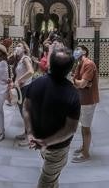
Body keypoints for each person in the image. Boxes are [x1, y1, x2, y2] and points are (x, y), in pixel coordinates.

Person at [23, 46, 80, 188]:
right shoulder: (72, 94)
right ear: (70, 69)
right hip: (56, 147)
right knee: (47, 180)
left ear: (50, 64)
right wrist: (46, 142)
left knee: (52, 176)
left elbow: (26, 108)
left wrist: (30, 133)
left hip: (39, 142)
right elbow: (71, 128)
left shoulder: (35, 83)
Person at [71, 45, 99, 163]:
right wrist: (79, 82)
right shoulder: (79, 64)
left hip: (88, 100)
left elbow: (80, 83)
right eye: (75, 49)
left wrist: (77, 82)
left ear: (84, 52)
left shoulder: (89, 64)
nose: (76, 51)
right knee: (83, 126)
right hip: (82, 98)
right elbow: (76, 80)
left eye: (78, 49)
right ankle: (84, 147)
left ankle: (86, 154)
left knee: (86, 127)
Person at [13, 41, 34, 145]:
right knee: (23, 112)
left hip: (26, 88)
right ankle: (26, 133)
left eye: (19, 46)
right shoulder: (20, 59)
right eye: (16, 46)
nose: (17, 48)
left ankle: (29, 138)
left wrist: (19, 80)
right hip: (20, 88)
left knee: (26, 113)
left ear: (24, 49)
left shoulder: (25, 58)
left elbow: (31, 72)